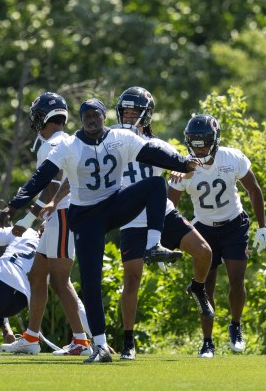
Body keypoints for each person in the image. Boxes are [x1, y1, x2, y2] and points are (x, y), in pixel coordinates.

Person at [0, 97, 201, 363]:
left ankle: (153, 245)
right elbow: (42, 176)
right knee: (91, 281)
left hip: (114, 204)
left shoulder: (119, 138)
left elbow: (152, 151)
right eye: (87, 117)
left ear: (104, 117)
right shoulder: (70, 145)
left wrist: (183, 164)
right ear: (81, 120)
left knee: (154, 184)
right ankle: (101, 346)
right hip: (85, 217)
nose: (92, 121)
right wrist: (16, 205)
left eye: (96, 115)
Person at [110, 87, 213, 360]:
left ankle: (197, 288)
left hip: (161, 213)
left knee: (204, 253)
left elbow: (184, 166)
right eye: (126, 112)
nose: (129, 117)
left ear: (146, 115)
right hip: (131, 217)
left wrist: (184, 173)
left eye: (135, 113)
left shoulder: (159, 145)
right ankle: (128, 342)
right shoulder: (110, 140)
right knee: (131, 280)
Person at [168, 114, 266, 358]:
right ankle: (207, 342)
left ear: (215, 140)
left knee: (237, 279)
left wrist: (262, 226)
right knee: (205, 287)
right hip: (203, 228)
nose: (199, 147)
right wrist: (164, 242)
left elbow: (253, 189)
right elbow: (167, 208)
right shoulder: (182, 167)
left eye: (204, 141)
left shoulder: (232, 157)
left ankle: (235, 326)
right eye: (194, 142)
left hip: (234, 223)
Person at [0, 92, 91, 356]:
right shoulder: (60, 141)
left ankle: (81, 342)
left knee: (60, 281)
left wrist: (28, 219)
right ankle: (30, 338)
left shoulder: (54, 143)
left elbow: (54, 182)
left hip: (64, 216)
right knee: (37, 276)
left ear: (43, 117)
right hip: (56, 217)